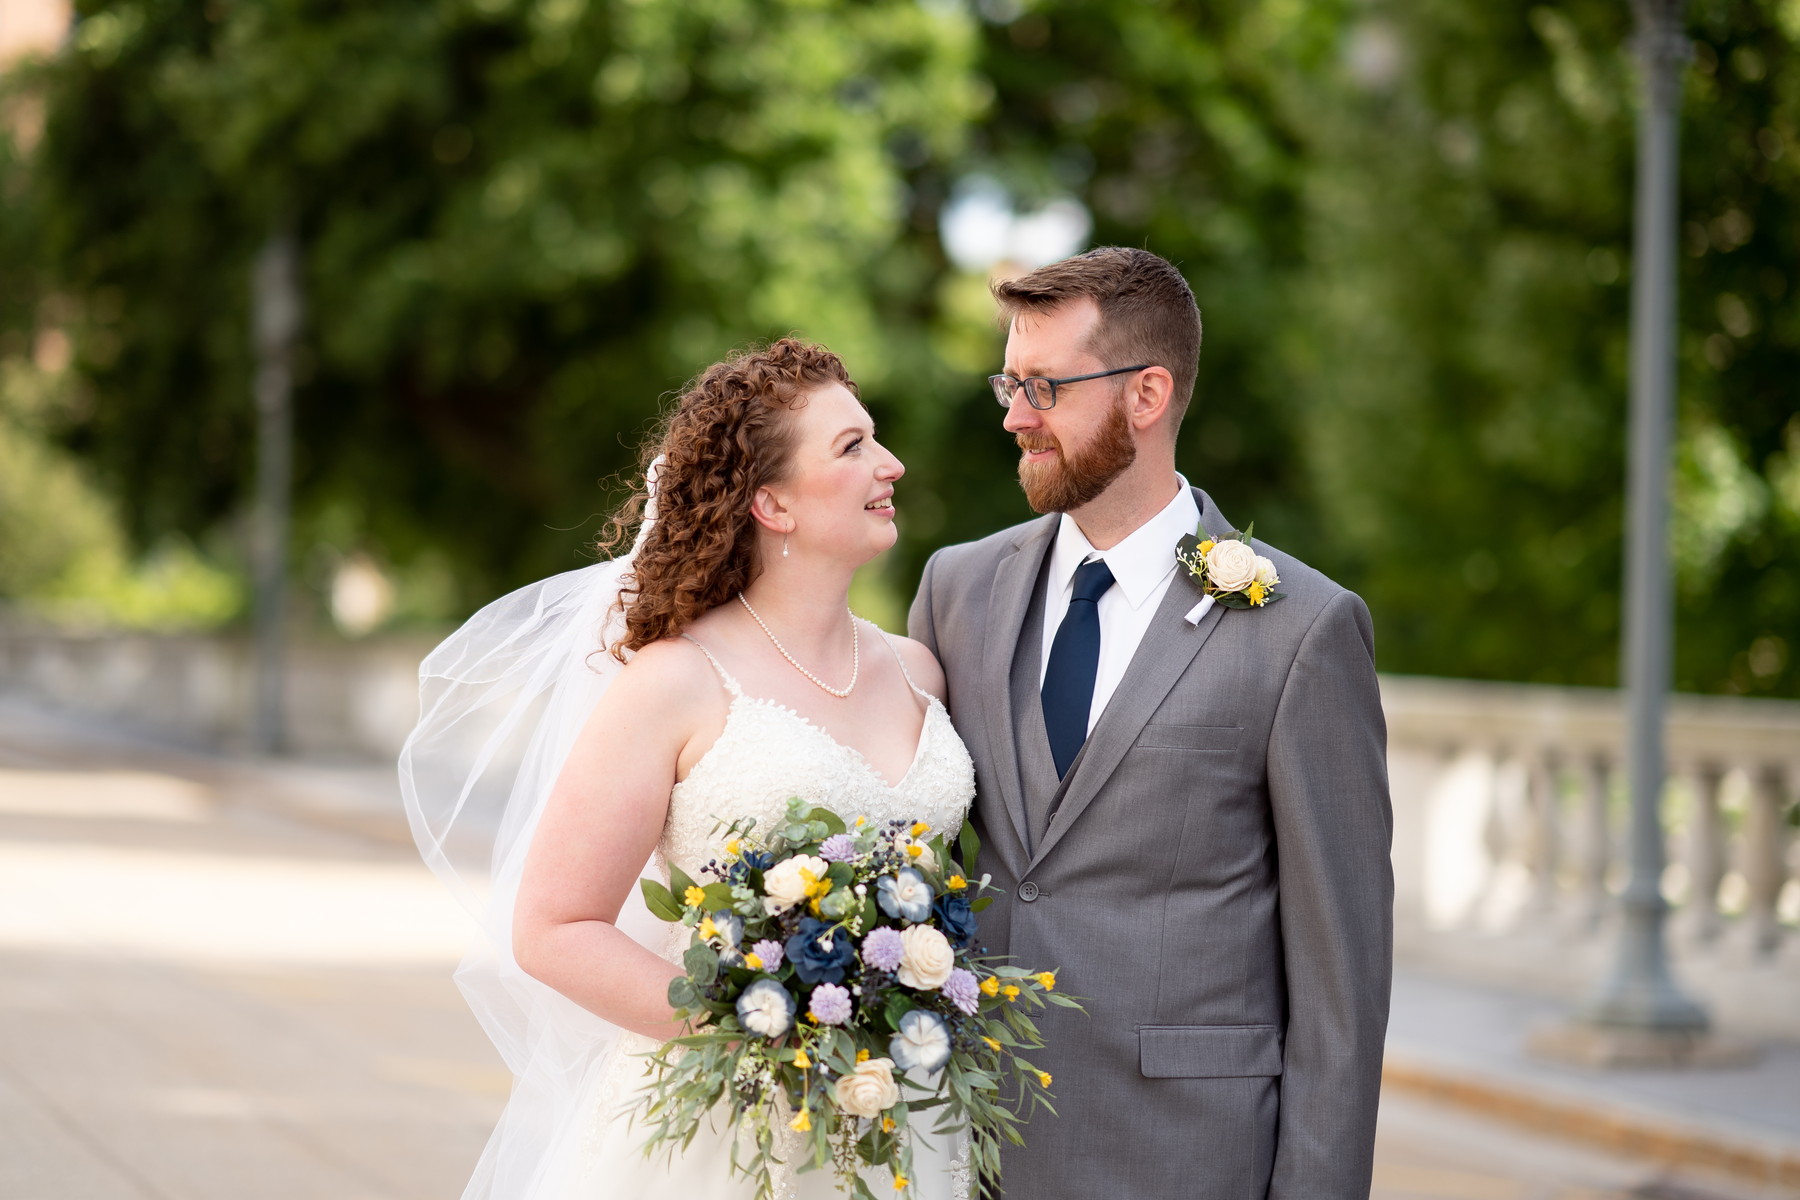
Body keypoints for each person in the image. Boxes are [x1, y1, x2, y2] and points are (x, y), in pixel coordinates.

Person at [402, 339, 975, 1200]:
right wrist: (757, 1023)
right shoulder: (677, 681)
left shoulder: (919, 672)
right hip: (721, 1130)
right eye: (853, 447)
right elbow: (554, 926)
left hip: (906, 1115)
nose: (890, 464)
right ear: (772, 502)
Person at [908, 247, 1393, 1199]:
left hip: (1186, 1157)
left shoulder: (1303, 629)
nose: (1013, 415)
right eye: (1009, 381)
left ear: (1147, 393)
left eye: (1043, 387)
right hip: (968, 1150)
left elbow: (1343, 982)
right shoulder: (956, 589)